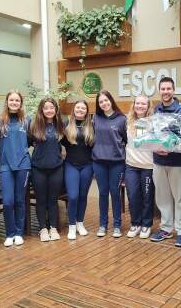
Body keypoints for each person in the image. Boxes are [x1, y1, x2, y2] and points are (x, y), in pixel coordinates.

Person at [150, 76, 181, 247]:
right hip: (158, 161)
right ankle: (166, 228)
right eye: (163, 89)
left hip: (178, 162)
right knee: (162, 197)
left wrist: (171, 148)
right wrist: (154, 146)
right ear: (159, 90)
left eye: (168, 89)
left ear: (174, 90)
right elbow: (151, 133)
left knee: (180, 198)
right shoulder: (156, 110)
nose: (165, 92)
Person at [28, 98, 64, 242]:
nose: (49, 110)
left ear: (55, 110)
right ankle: (43, 228)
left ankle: (53, 227)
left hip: (56, 168)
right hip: (38, 169)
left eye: (51, 108)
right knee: (41, 200)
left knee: (53, 200)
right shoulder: (34, 126)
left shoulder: (61, 125)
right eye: (46, 108)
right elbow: (26, 143)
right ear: (41, 110)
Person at [92, 90, 127, 238]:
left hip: (116, 163)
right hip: (98, 162)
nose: (104, 103)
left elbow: (126, 140)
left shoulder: (121, 119)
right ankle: (102, 225)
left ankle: (117, 225)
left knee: (115, 193)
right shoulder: (95, 118)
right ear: (98, 104)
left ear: (111, 100)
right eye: (101, 102)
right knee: (102, 193)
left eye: (106, 100)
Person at [0, 90, 31, 247]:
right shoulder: (0, 121)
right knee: (7, 202)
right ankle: (9, 233)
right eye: (11, 100)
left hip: (23, 165)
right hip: (5, 166)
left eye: (17, 100)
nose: (14, 102)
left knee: (19, 200)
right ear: (7, 102)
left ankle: (18, 233)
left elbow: (33, 139)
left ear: (21, 103)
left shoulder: (26, 121)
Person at [62, 100, 94, 240]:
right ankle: (71, 226)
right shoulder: (66, 124)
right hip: (71, 165)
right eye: (78, 107)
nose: (80, 110)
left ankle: (80, 223)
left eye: (83, 108)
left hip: (87, 165)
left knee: (82, 196)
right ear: (74, 109)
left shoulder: (91, 126)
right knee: (73, 196)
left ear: (86, 111)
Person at [125, 94, 155, 238]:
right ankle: (135, 223)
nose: (140, 106)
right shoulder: (128, 121)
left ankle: (146, 224)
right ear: (134, 104)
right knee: (132, 195)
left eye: (143, 104)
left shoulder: (153, 122)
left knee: (147, 197)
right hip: (131, 165)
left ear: (148, 106)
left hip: (148, 166)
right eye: (137, 103)